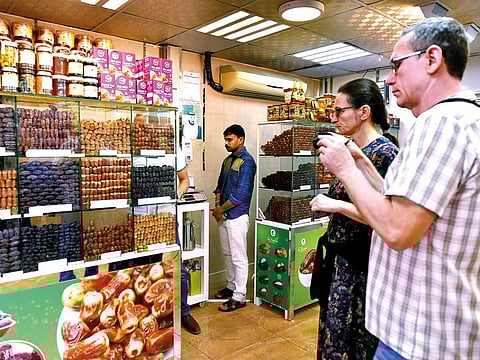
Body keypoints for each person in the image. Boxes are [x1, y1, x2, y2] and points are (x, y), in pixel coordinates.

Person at [316, 17, 480, 359]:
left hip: (421, 339)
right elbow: (399, 202)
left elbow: (397, 228)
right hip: (419, 333)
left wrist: (346, 169)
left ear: (432, 59)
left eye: (396, 65)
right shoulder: (456, 120)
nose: (389, 79)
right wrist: (361, 162)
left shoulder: (442, 124)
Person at [310, 78, 398, 359]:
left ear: (363, 113)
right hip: (340, 261)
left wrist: (336, 205)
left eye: (339, 111)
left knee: (356, 343)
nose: (333, 118)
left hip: (363, 267)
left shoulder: (386, 154)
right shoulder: (349, 152)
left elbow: (388, 218)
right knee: (333, 337)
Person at [212, 124, 256, 312]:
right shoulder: (228, 161)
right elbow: (220, 186)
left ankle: (239, 295)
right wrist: (217, 206)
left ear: (241, 139)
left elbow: (241, 195)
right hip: (224, 216)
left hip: (237, 216)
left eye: (229, 140)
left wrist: (221, 209)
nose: (226, 143)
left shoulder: (247, 162)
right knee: (227, 253)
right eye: (226, 140)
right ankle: (231, 286)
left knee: (238, 257)